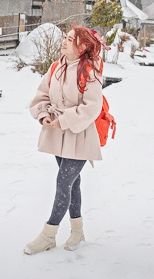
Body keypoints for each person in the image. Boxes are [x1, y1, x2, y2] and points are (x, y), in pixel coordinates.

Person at [25, 25, 104, 255]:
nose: (65, 42)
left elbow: (92, 107)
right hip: (58, 136)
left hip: (80, 136)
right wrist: (44, 115)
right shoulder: (55, 67)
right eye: (66, 38)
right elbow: (40, 96)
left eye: (71, 39)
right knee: (73, 183)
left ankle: (48, 235)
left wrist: (65, 120)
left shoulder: (90, 72)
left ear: (83, 47)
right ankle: (78, 232)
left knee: (63, 182)